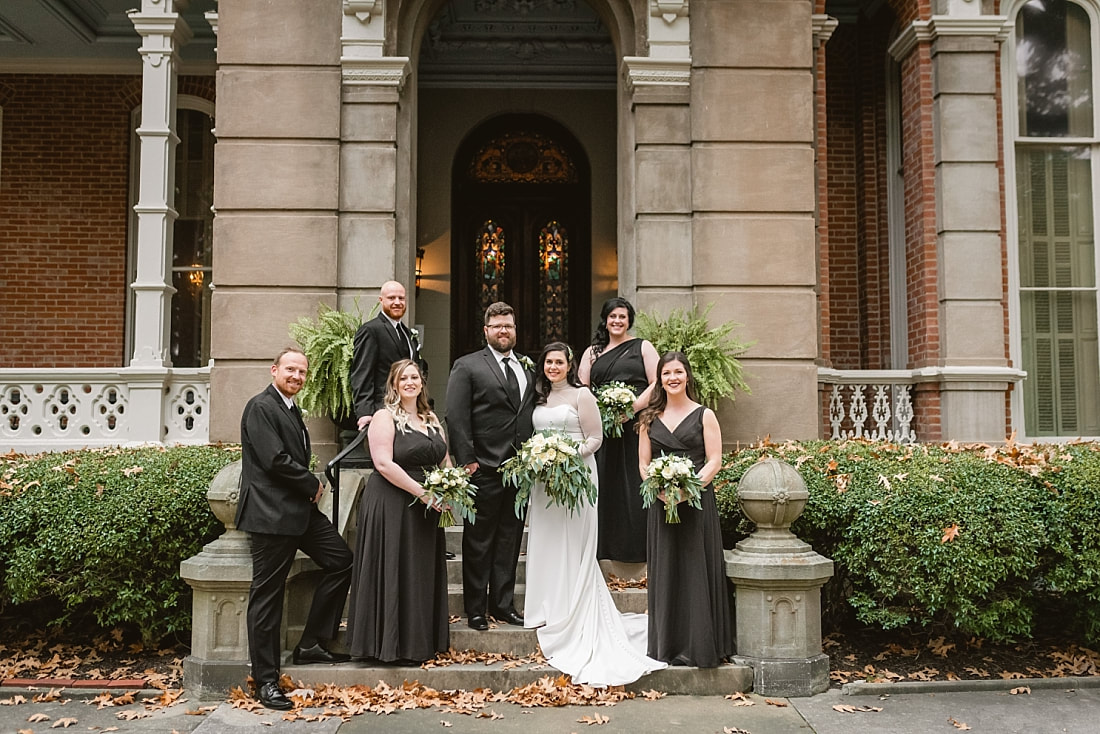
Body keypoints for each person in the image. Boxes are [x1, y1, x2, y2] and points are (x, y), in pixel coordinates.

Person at [523, 342, 667, 686]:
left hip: (576, 477)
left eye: (559, 362)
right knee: (546, 540)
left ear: (570, 365)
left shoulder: (582, 396)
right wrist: (542, 457)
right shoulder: (539, 399)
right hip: (544, 480)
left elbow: (595, 439)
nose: (553, 367)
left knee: (574, 542)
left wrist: (566, 457)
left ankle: (571, 607)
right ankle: (544, 605)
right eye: (548, 362)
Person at [235, 348, 353, 711]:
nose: (297, 376)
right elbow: (273, 460)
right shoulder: (261, 407)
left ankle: (312, 643)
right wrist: (311, 483)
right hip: (271, 516)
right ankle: (266, 681)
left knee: (342, 560)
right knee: (267, 598)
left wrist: (307, 488)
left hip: (300, 514)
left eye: (302, 372)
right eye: (290, 369)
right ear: (274, 370)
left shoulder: (289, 408)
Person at [346, 360, 450, 663]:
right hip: (392, 501)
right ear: (393, 384)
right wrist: (424, 494)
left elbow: (444, 460)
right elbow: (383, 463)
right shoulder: (384, 416)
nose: (409, 382)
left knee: (417, 572)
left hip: (426, 505)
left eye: (414, 377)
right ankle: (387, 645)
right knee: (393, 567)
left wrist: (451, 487)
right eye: (403, 377)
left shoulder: (430, 418)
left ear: (421, 383)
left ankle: (418, 643)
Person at [637, 351, 733, 668]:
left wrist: (689, 488)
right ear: (660, 379)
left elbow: (715, 460)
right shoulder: (648, 419)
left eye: (678, 372)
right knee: (666, 569)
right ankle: (667, 645)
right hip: (661, 503)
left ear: (687, 376)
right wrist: (662, 490)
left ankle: (702, 644)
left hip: (697, 502)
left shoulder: (705, 415)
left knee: (696, 568)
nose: (673, 378)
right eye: (666, 373)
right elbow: (643, 464)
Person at [445, 302, 535, 631]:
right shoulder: (467, 366)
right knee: (478, 541)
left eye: (508, 326)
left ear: (515, 329)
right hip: (482, 467)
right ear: (486, 331)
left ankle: (503, 604)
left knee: (510, 541)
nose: (503, 331)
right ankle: (476, 609)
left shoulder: (528, 368)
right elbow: (455, 416)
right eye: (497, 326)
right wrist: (466, 460)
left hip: (519, 471)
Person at [578, 297, 659, 572]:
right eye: (613, 317)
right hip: (602, 429)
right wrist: (599, 410)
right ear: (605, 319)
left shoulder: (643, 347)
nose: (617, 321)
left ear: (629, 320)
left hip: (635, 427)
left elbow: (657, 382)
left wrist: (632, 407)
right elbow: (582, 387)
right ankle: (604, 549)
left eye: (622, 317)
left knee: (634, 483)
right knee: (605, 484)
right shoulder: (592, 352)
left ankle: (637, 549)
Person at [349, 281, 427, 431]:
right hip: (383, 409)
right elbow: (362, 374)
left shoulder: (407, 333)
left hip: (409, 410)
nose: (397, 302)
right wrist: (364, 413)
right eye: (391, 298)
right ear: (381, 300)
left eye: (401, 298)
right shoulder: (371, 330)